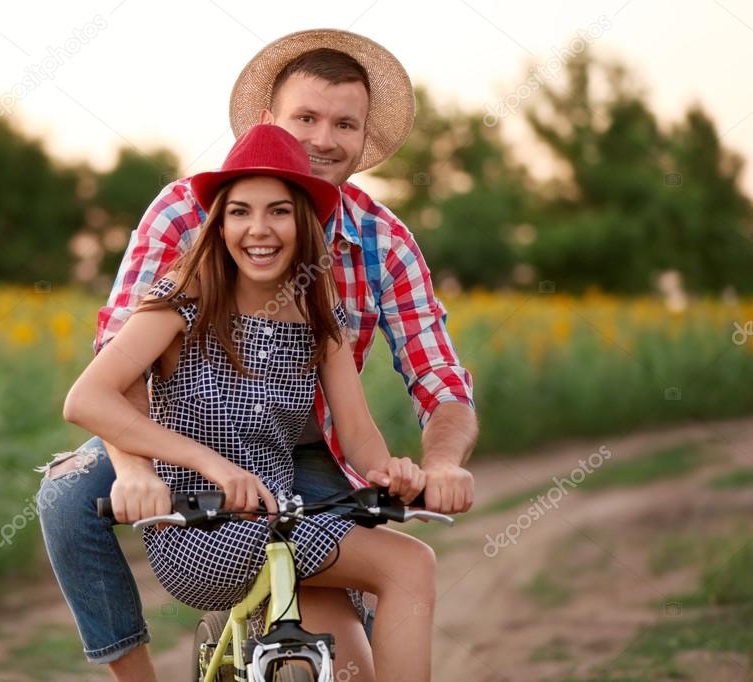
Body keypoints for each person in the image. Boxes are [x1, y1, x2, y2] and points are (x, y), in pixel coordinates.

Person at [36, 29, 478, 682]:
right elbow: (110, 372)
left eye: (344, 124)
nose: (322, 138)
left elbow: (431, 382)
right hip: (176, 446)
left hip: (299, 455)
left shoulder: (376, 251)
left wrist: (424, 468)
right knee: (68, 496)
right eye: (305, 118)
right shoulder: (186, 241)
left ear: (362, 141)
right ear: (269, 121)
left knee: (361, 620)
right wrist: (137, 471)